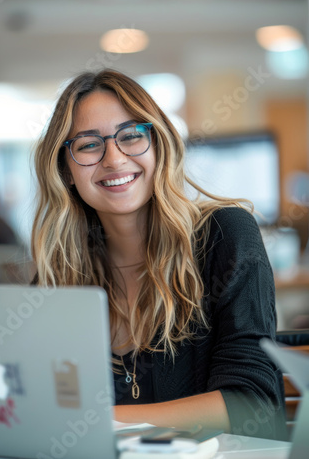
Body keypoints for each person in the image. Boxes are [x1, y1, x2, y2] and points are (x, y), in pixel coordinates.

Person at [31, 69, 286, 440]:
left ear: (159, 145)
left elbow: (255, 403)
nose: (114, 159)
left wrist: (106, 418)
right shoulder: (60, 274)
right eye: (88, 145)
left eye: (131, 136)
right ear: (65, 170)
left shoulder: (225, 235)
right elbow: (38, 408)